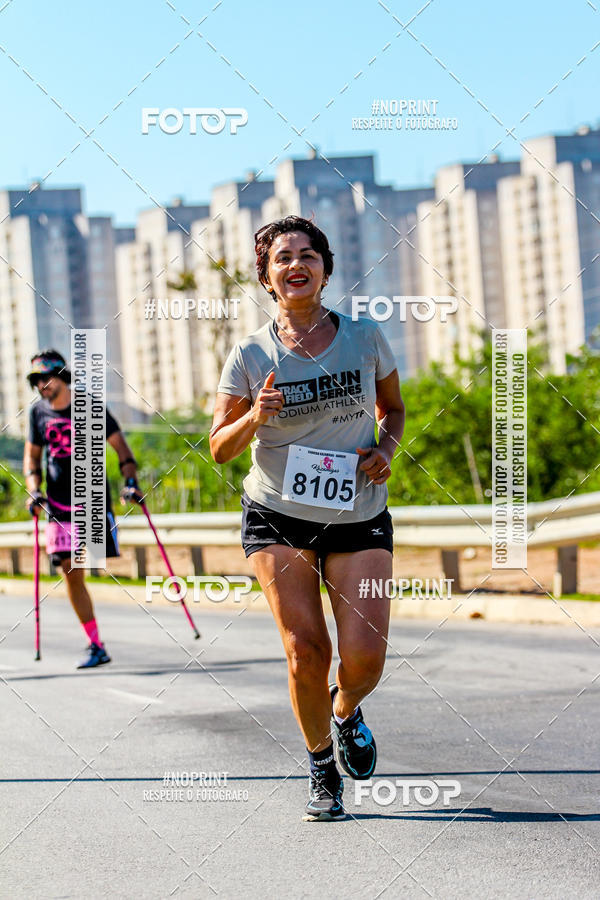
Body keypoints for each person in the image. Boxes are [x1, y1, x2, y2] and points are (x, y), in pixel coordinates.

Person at [210, 216, 405, 821]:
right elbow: (219, 446)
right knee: (305, 650)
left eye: (308, 254)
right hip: (278, 515)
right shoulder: (249, 353)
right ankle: (322, 766)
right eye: (282, 257)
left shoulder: (366, 337)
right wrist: (255, 417)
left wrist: (385, 450)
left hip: (358, 513)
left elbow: (393, 409)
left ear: (325, 268)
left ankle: (344, 711)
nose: (296, 264)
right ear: (267, 277)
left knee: (366, 657)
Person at [23, 349, 143, 669]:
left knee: (94, 566)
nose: (42, 385)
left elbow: (122, 449)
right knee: (71, 572)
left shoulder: (89, 407)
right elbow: (32, 457)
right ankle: (95, 644)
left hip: (91, 502)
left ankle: (110, 636)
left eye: (46, 378)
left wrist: (130, 482)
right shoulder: (37, 415)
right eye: (36, 381)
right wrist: (34, 489)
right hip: (58, 506)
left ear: (62, 376)